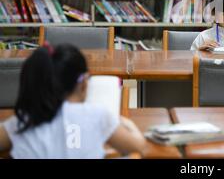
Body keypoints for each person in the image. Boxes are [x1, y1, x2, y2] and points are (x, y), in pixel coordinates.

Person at [0, 44, 148, 158]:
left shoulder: (22, 121)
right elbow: (140, 147)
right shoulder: (98, 116)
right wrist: (125, 122)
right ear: (83, 82)